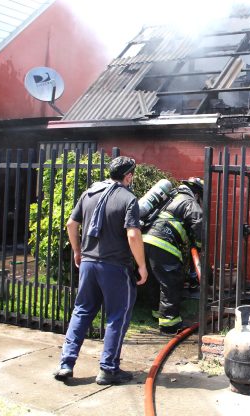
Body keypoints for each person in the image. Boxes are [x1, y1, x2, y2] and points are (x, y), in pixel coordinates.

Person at [54, 156, 148, 385]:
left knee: (82, 310)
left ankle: (66, 364)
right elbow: (133, 234)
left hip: (88, 263)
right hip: (114, 267)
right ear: (128, 176)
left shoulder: (89, 194)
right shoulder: (129, 198)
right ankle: (108, 369)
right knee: (117, 316)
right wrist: (142, 266)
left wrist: (77, 250)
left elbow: (71, 224)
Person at [142, 177, 204, 334]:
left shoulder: (171, 197)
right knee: (171, 282)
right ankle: (169, 324)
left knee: (155, 280)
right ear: (196, 193)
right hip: (164, 243)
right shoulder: (188, 200)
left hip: (146, 241)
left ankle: (157, 312)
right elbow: (199, 222)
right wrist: (199, 244)